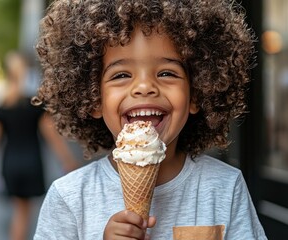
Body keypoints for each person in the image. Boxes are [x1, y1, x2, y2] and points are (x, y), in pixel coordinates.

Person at [31, 0, 267, 239]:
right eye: (121, 75)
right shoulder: (69, 197)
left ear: (196, 92)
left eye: (167, 73)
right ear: (93, 99)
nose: (144, 87)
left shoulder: (226, 187)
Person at [0, 51, 79, 240]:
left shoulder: (0, 107)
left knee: (20, 212)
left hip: (10, 163)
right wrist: (68, 162)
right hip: (32, 162)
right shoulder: (35, 105)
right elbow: (53, 138)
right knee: (23, 214)